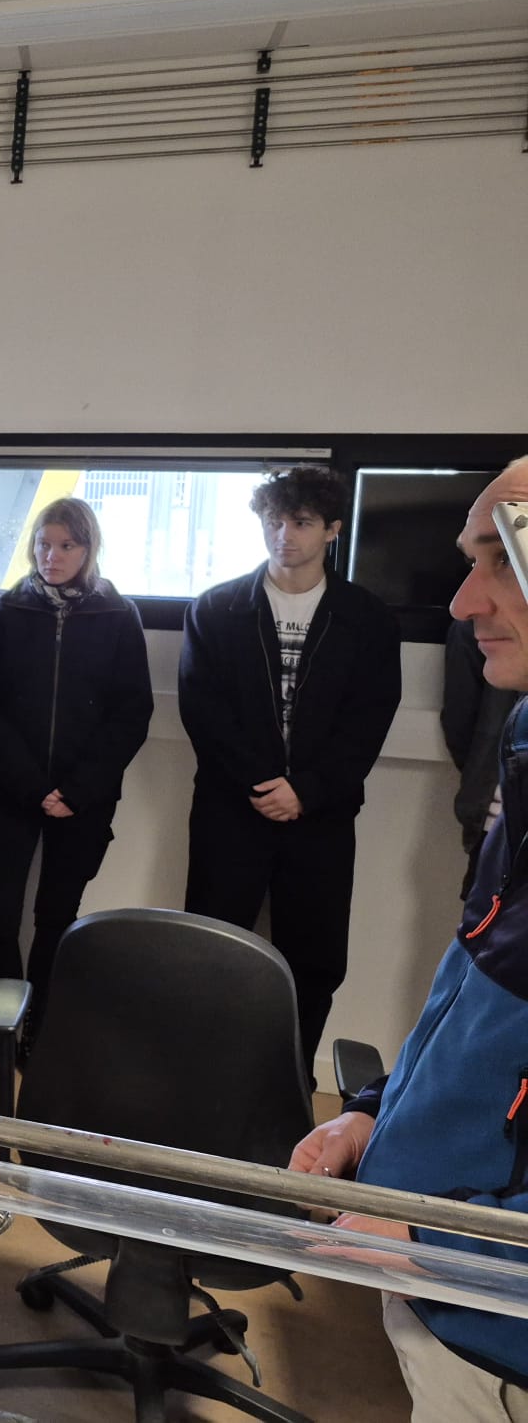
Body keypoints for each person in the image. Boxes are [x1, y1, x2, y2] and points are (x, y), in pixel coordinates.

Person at [288, 460, 528, 1419]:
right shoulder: (523, 748)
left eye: (500, 562)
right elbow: (475, 1014)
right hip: (441, 1281)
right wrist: (378, 1117)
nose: (464, 603)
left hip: (502, 1326)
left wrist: (442, 1242)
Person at [179, 465, 400, 1066]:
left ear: (331, 529)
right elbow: (203, 711)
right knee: (211, 946)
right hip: (231, 809)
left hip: (321, 816)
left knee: (314, 960)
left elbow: (369, 719)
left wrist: (306, 789)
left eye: (301, 522)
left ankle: (290, 1079)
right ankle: (206, 1075)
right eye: (274, 521)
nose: (284, 535)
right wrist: (263, 785)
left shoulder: (366, 617)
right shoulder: (217, 607)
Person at [0, 497, 153, 1081]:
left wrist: (75, 790)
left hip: (84, 800)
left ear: (88, 548)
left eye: (67, 545)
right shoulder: (6, 609)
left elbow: (131, 714)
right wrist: (34, 787)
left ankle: (39, 1031)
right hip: (10, 792)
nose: (52, 555)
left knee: (57, 919)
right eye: (43, 543)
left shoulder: (119, 614)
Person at [442, 614, 516, 899]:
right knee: (487, 920)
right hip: (499, 826)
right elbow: (460, 727)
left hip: (498, 819)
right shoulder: (478, 626)